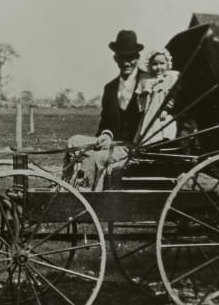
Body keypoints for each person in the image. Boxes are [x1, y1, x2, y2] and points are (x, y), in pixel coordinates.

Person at [65, 29, 146, 190]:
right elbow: (106, 122)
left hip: (133, 147)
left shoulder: (147, 83)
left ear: (137, 58)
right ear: (115, 58)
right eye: (122, 57)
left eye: (130, 58)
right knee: (74, 142)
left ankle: (83, 197)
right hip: (112, 143)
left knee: (93, 159)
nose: (126, 63)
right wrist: (106, 134)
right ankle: (67, 188)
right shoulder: (110, 88)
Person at [134, 49, 179, 145]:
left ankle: (164, 143)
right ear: (149, 65)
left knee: (165, 127)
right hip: (150, 110)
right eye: (154, 64)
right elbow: (141, 97)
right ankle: (149, 145)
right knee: (148, 129)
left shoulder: (171, 77)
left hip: (163, 111)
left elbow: (173, 97)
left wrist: (167, 109)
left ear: (167, 63)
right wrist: (147, 90)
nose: (158, 67)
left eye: (162, 63)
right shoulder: (145, 78)